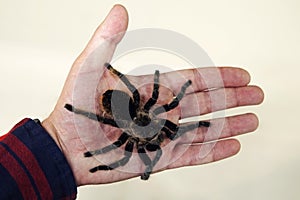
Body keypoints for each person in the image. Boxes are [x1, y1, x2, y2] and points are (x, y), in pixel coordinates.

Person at [0, 4, 264, 200]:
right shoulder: (137, 117)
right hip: (121, 106)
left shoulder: (139, 120)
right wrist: (65, 142)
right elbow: (139, 106)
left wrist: (62, 150)